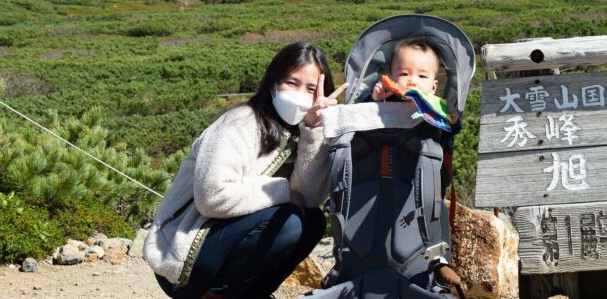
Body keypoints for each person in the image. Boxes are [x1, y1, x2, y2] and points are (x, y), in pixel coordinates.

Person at [145, 42, 346, 298]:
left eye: (310, 89)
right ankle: (217, 295)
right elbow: (212, 197)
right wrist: (284, 191)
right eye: (292, 83)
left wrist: (313, 131)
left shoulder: (301, 132)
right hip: (183, 258)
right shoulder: (241, 122)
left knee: (313, 221)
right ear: (273, 83)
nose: (300, 95)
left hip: (222, 243)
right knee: (289, 221)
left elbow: (306, 199)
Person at [371, 36, 441, 102]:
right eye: (404, 74)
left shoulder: (436, 108)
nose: (412, 81)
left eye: (422, 76)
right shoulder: (386, 100)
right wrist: (377, 99)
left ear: (433, 87)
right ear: (391, 81)